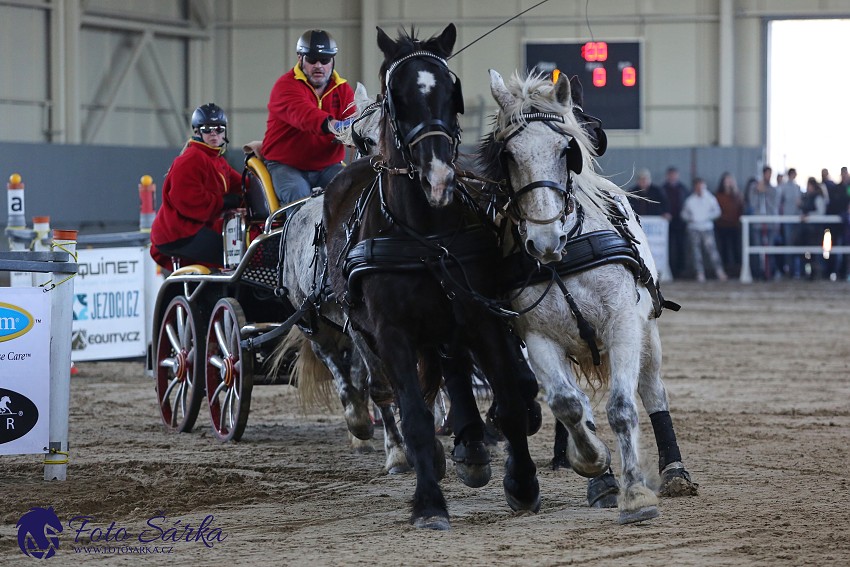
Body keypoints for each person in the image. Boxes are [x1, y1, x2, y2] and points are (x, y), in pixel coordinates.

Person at [262, 29, 355, 205]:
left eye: (325, 60)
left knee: (351, 191)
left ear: (332, 61)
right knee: (299, 194)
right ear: (300, 59)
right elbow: (304, 115)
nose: (318, 65)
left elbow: (355, 121)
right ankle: (297, 233)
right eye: (312, 59)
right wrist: (335, 125)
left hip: (328, 167)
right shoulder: (285, 86)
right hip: (286, 166)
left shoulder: (343, 90)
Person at [150, 103, 243, 270]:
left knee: (237, 247)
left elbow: (241, 185)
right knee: (231, 253)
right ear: (197, 132)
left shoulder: (218, 160)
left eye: (219, 129)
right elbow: (188, 200)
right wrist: (223, 202)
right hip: (177, 233)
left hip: (193, 229)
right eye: (207, 129)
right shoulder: (192, 158)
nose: (214, 134)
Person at [681, 177, 726, 282]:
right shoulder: (690, 200)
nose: (699, 188)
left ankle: (719, 272)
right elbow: (683, 214)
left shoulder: (710, 198)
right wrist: (690, 218)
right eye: (697, 186)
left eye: (701, 185)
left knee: (712, 251)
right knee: (696, 252)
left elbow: (717, 212)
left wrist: (708, 217)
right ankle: (699, 273)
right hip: (694, 229)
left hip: (707, 228)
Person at [745, 165, 779, 280]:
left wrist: (766, 192)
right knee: (757, 248)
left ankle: (769, 272)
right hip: (757, 223)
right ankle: (758, 272)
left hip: (769, 223)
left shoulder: (773, 189)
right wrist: (757, 191)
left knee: (770, 248)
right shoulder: (754, 188)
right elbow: (752, 204)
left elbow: (774, 205)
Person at [661, 166, 690, 279]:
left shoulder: (683, 188)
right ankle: (669, 269)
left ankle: (680, 270)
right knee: (667, 247)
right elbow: (660, 203)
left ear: (677, 175)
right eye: (670, 174)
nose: (672, 177)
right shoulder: (662, 189)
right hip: (667, 223)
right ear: (667, 176)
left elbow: (688, 204)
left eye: (674, 174)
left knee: (680, 246)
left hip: (681, 222)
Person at [714, 172, 745, 278]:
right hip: (722, 226)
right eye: (726, 181)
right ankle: (726, 269)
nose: (728, 183)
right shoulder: (718, 196)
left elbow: (741, 209)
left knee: (736, 248)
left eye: (730, 180)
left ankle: (738, 269)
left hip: (735, 226)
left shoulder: (737, 195)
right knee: (724, 249)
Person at [799, 176, 828, 279]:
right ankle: (812, 273)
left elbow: (821, 213)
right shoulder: (809, 197)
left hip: (816, 229)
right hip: (810, 230)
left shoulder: (818, 197)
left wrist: (809, 216)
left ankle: (816, 274)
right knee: (810, 253)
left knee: (816, 253)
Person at [824, 166, 849, 279]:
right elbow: (834, 204)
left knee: (845, 250)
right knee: (835, 248)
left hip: (846, 225)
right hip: (838, 225)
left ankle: (844, 272)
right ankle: (833, 271)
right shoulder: (837, 188)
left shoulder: (847, 187)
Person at [777, 168, 803, 276]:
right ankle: (788, 268)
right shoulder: (783, 187)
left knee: (796, 244)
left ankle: (796, 270)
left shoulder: (798, 187)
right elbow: (779, 202)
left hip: (797, 219)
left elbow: (800, 203)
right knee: (788, 243)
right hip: (787, 219)